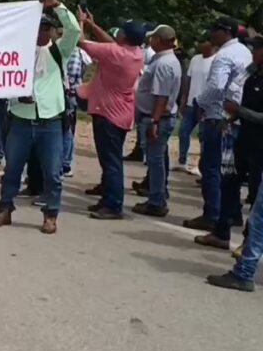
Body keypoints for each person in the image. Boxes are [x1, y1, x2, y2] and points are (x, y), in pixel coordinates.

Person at [0, 0, 79, 235]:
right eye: (38, 28)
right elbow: (2, 81)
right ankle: (5, 209)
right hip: (21, 119)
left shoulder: (58, 52)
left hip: (50, 121)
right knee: (12, 170)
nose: (42, 33)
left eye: (47, 28)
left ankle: (51, 214)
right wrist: (17, 96)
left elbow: (74, 29)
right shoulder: (16, 55)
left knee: (52, 173)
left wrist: (58, 6)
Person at [195, 31, 263, 253]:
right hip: (244, 138)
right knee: (229, 183)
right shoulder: (255, 73)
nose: (254, 52)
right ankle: (221, 231)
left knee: (256, 195)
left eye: (259, 48)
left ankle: (249, 242)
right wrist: (233, 117)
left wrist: (240, 111)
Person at [185, 17, 253, 231]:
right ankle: (232, 213)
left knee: (211, 166)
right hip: (237, 116)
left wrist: (200, 102)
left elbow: (216, 86)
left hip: (217, 115)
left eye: (214, 30)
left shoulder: (223, 55)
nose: (211, 35)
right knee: (230, 168)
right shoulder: (244, 52)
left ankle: (212, 213)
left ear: (225, 32)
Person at [77, 15, 145, 220]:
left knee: (111, 162)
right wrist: (92, 24)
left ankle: (114, 204)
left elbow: (81, 42)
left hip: (108, 113)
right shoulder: (136, 53)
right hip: (122, 114)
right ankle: (107, 199)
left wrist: (81, 23)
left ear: (124, 36)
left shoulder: (114, 53)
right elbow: (111, 43)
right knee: (110, 160)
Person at [131, 25, 183, 217]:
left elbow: (161, 96)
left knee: (155, 161)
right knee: (160, 158)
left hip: (158, 118)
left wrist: (154, 120)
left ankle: (156, 201)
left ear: (159, 40)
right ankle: (159, 194)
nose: (150, 41)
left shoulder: (164, 64)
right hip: (159, 116)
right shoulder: (165, 60)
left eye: (153, 38)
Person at [177, 37, 215, 176]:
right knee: (184, 131)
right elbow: (188, 79)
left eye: (204, 41)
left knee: (203, 136)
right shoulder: (195, 59)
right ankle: (182, 160)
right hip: (191, 103)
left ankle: (202, 165)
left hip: (205, 104)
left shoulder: (215, 61)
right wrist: (183, 99)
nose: (201, 44)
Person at [63, 37, 91, 177]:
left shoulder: (73, 52)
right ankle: (65, 163)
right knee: (69, 129)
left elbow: (72, 74)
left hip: (69, 95)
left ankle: (65, 164)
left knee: (66, 129)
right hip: (72, 94)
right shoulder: (78, 52)